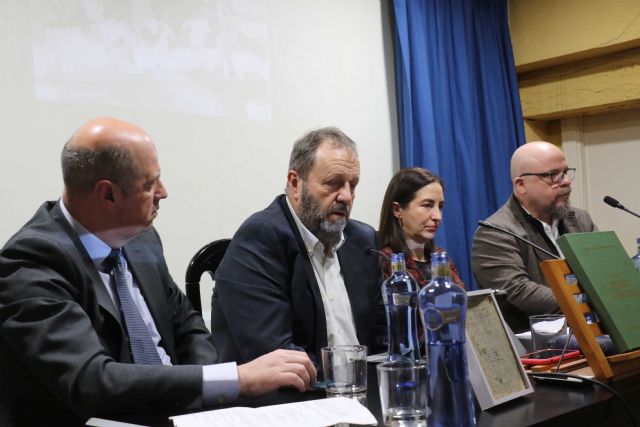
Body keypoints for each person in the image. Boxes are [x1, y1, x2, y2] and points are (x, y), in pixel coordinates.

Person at [0, 117, 316, 427]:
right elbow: (92, 381)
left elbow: (188, 327)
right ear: (107, 194)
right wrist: (234, 378)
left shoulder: (141, 239)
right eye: (149, 184)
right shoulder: (31, 261)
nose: (163, 192)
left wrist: (205, 403)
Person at [211, 127, 384, 368]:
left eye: (352, 185)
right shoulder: (261, 238)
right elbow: (278, 360)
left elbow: (383, 341)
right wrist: (345, 387)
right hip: (293, 401)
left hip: (361, 396)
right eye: (334, 183)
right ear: (295, 184)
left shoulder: (363, 241)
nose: (346, 196)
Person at [471, 141, 597, 332]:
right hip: (539, 350)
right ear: (522, 185)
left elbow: (601, 271)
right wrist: (587, 302)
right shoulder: (494, 232)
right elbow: (517, 290)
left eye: (566, 172)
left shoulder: (580, 219)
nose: (566, 181)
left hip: (597, 333)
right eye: (553, 175)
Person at [378, 167, 464, 287]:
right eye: (427, 205)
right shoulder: (385, 260)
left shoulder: (441, 257)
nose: (437, 216)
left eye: (440, 206)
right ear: (397, 210)